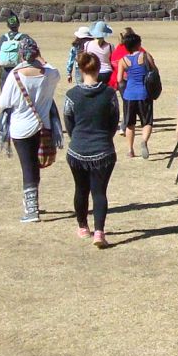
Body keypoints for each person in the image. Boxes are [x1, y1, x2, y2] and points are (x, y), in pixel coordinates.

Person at [0, 36, 60, 223]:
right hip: (44, 126)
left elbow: (4, 102)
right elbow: (52, 68)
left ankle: (31, 210)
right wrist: (41, 59)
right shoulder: (50, 74)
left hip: (21, 127)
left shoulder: (15, 75)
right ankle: (33, 203)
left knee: (28, 166)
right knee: (34, 166)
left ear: (21, 55)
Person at [63, 52, 118, 248]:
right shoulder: (109, 94)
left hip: (77, 149)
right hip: (103, 150)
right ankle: (99, 232)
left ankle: (83, 226)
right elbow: (114, 121)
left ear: (80, 69)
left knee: (81, 189)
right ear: (98, 69)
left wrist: (77, 138)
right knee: (99, 192)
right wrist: (105, 137)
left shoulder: (71, 95)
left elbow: (69, 122)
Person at [116, 30, 156, 159]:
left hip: (129, 95)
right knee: (147, 122)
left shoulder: (123, 60)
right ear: (138, 44)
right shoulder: (145, 56)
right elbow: (154, 70)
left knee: (130, 124)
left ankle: (130, 150)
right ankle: (144, 141)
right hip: (144, 94)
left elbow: (119, 79)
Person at [0, 13, 33, 88]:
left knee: (5, 93)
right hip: (20, 72)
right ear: (18, 24)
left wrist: (2, 65)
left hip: (4, 73)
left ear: (8, 25)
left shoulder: (2, 38)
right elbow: (33, 53)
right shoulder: (25, 37)